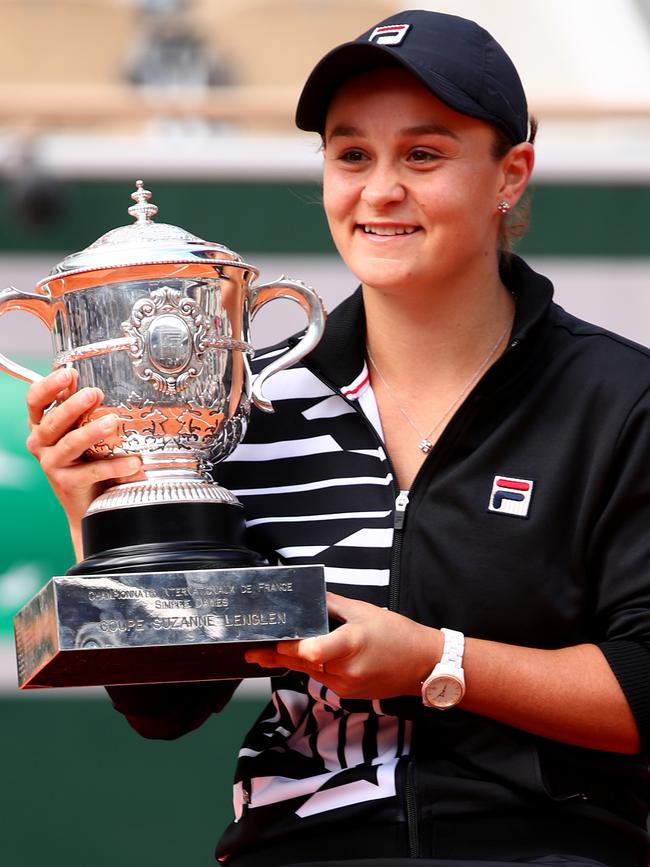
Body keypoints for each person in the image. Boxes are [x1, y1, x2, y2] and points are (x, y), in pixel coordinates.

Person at [23, 9, 650, 867]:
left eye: (422, 155)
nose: (380, 189)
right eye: (352, 155)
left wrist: (437, 660)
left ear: (510, 176)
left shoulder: (619, 399)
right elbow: (166, 707)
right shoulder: (254, 399)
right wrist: (106, 521)